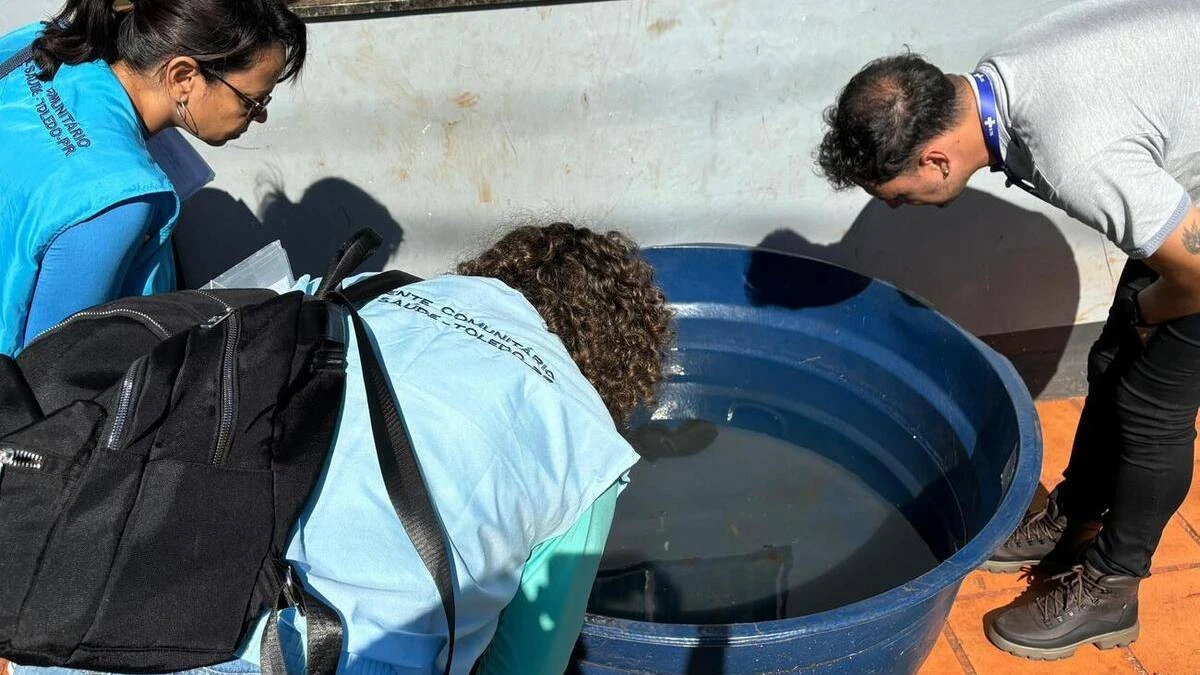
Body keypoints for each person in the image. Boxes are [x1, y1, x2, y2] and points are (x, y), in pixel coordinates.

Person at [7, 222, 674, 675]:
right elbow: (525, 662)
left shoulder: (367, 296)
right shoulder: (586, 443)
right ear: (620, 361)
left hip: (110, 616)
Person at [816, 0, 1200, 660]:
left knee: (1152, 406)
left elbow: (1195, 271)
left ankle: (1113, 586)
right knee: (1112, 359)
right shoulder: (1005, 77)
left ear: (936, 160)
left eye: (898, 196)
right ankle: (1077, 516)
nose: (902, 210)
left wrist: (1150, 312)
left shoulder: (1073, 152)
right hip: (1181, 185)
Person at [0, 0, 307, 356]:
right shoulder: (119, 199)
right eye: (252, 101)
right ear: (183, 77)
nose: (260, 116)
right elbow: (51, 367)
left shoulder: (39, 46)